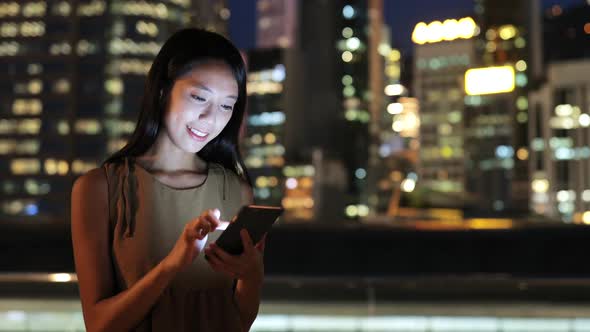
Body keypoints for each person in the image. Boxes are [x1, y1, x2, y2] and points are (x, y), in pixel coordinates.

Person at [71, 28, 264, 332]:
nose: (211, 118)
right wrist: (174, 263)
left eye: (227, 105)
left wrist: (252, 275)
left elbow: (238, 320)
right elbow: (98, 325)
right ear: (162, 90)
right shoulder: (100, 189)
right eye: (199, 97)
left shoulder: (236, 190)